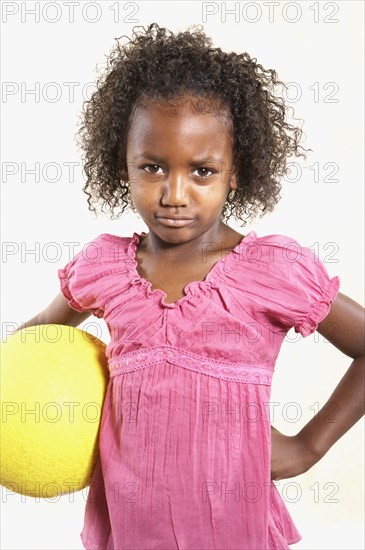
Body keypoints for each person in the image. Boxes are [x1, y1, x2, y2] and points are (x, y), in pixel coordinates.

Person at [17, 23, 364, 550]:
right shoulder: (105, 267)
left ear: (235, 173)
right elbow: (29, 347)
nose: (174, 193)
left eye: (202, 171)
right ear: (123, 166)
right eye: (152, 167)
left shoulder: (270, 270)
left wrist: (308, 446)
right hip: (132, 531)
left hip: (234, 527)